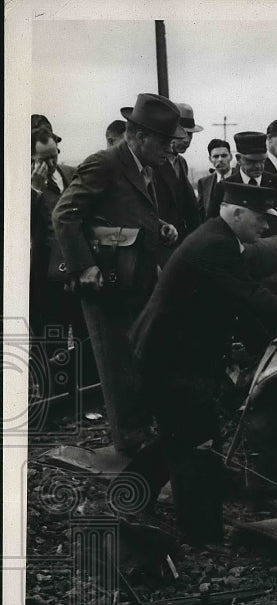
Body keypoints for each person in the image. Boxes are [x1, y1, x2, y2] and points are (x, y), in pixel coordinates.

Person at [125, 183, 277, 543]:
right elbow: (251, 296)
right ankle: (202, 534)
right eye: (260, 218)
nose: (265, 227)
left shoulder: (218, 239)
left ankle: (128, 496)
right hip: (171, 359)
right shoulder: (217, 245)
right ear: (235, 212)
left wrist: (269, 344)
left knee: (181, 434)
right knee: (197, 441)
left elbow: (236, 306)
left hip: (170, 354)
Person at [52, 93, 186, 457]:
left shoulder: (146, 166)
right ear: (139, 136)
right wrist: (85, 266)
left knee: (136, 357)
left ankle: (139, 432)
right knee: (115, 363)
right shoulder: (105, 163)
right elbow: (65, 215)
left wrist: (159, 227)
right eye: (163, 142)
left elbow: (122, 213)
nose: (168, 150)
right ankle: (130, 444)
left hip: (135, 278)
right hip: (104, 281)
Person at [30, 125, 90, 393]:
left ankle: (84, 389)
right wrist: (34, 190)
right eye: (44, 159)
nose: (51, 163)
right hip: (45, 273)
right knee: (51, 334)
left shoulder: (69, 173)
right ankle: (50, 394)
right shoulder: (24, 182)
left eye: (55, 155)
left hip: (73, 265)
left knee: (82, 330)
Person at [219, 131, 277, 235]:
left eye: (262, 161)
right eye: (251, 161)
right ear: (239, 159)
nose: (258, 166)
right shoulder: (226, 186)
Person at [151, 102, 202, 259]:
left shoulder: (181, 162)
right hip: (159, 242)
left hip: (180, 243)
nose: (187, 140)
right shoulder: (152, 162)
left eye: (191, 134)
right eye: (183, 133)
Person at [196, 138, 235, 221]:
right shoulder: (204, 183)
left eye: (224, 156)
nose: (220, 160)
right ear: (210, 159)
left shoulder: (241, 176)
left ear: (230, 157)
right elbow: (201, 214)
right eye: (216, 156)